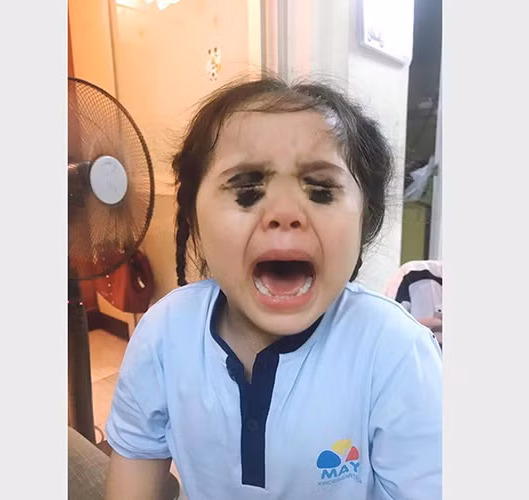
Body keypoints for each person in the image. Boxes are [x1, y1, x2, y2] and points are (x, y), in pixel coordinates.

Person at [104, 76, 442, 500]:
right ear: (192, 218)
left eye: (321, 191)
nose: (284, 212)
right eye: (247, 191)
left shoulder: (395, 352)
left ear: (365, 220)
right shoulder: (162, 336)